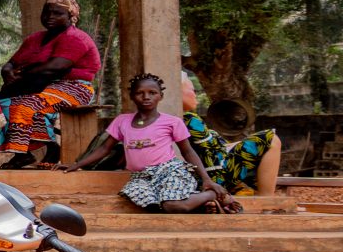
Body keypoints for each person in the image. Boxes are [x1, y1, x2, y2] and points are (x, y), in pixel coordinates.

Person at [65, 72, 235, 212]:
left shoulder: (172, 122)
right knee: (151, 205)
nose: (146, 97)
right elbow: (104, 148)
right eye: (140, 93)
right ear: (132, 96)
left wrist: (206, 179)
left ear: (160, 96)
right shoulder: (122, 121)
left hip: (169, 171)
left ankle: (210, 195)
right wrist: (77, 164)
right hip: (141, 177)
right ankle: (199, 207)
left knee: (172, 204)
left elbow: (188, 151)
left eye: (152, 93)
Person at [0, 0, 103, 169]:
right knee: (3, 105)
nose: (50, 17)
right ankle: (36, 151)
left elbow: (55, 67)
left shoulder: (76, 37)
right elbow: (12, 62)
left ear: (72, 17)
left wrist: (21, 75)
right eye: (46, 13)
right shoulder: (35, 39)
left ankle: (37, 151)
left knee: (27, 105)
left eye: (58, 13)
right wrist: (7, 71)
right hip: (43, 86)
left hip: (74, 87)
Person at [186, 98, 281, 196]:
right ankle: (266, 200)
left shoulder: (181, 119)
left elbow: (207, 150)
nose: (195, 96)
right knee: (271, 139)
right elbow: (209, 157)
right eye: (191, 90)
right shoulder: (189, 118)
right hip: (215, 177)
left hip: (211, 174)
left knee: (253, 149)